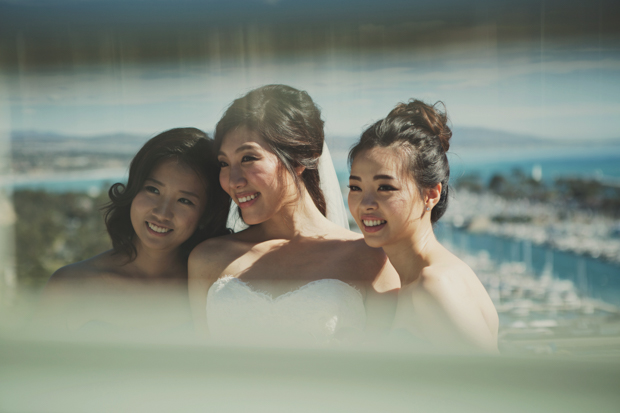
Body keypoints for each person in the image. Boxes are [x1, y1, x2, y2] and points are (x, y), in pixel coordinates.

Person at [188, 85, 399, 345]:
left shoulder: (371, 259)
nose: (233, 180)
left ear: (303, 157)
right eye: (224, 163)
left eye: (248, 158)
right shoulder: (207, 259)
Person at [36, 128, 230, 335]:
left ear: (205, 214)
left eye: (184, 201)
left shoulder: (212, 291)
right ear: (133, 191)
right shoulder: (70, 284)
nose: (162, 213)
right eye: (153, 190)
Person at [347, 100, 499, 353]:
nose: (365, 204)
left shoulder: (433, 285)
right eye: (355, 187)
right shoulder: (421, 278)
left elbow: (498, 383)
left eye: (385, 187)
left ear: (431, 194)